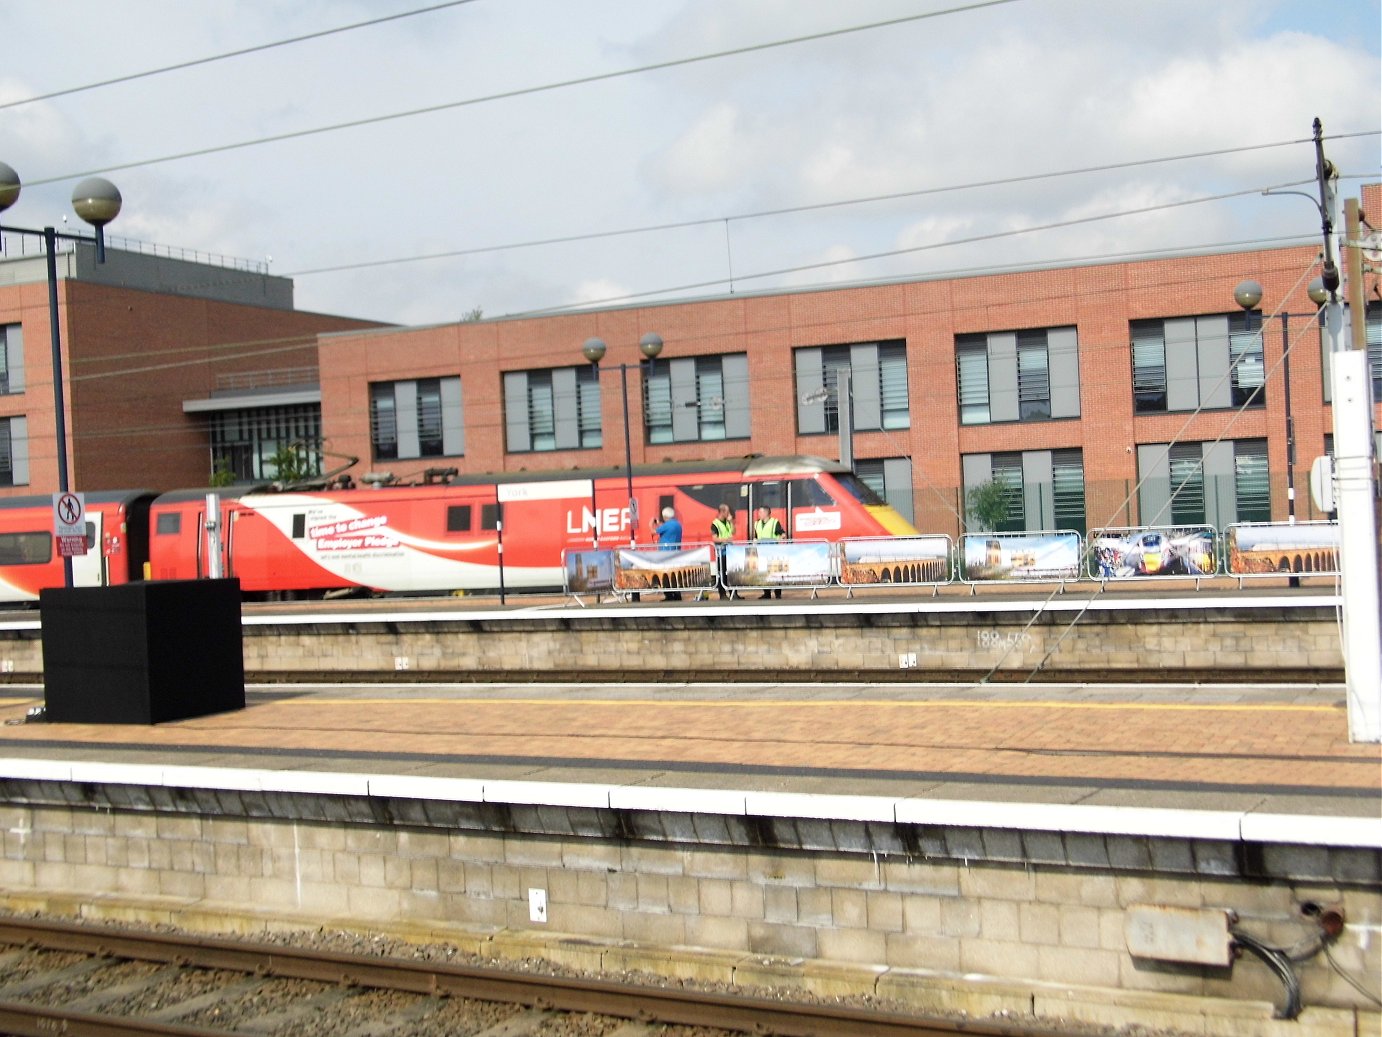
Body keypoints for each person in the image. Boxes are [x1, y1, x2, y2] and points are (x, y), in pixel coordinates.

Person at [752, 505, 786, 599]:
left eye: (761, 512)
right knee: (763, 573)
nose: (759, 514)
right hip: (761, 552)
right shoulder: (757, 523)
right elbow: (755, 536)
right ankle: (766, 593)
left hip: (772, 552)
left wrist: (776, 539)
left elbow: (783, 534)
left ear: (766, 513)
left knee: (775, 572)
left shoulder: (774, 522)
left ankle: (777, 593)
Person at [651, 506, 683, 600]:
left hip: (665, 553)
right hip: (675, 551)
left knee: (665, 574)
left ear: (664, 516)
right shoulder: (678, 524)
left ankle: (668, 595)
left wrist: (651, 524)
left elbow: (653, 532)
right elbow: (667, 531)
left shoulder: (667, 525)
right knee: (674, 574)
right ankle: (677, 595)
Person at [710, 502, 735, 599]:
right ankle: (722, 593)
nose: (729, 514)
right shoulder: (715, 524)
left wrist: (731, 522)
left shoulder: (728, 522)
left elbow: (733, 532)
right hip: (721, 551)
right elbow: (714, 538)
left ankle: (734, 593)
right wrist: (725, 540)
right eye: (727, 512)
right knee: (722, 572)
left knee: (731, 572)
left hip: (730, 551)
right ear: (722, 512)